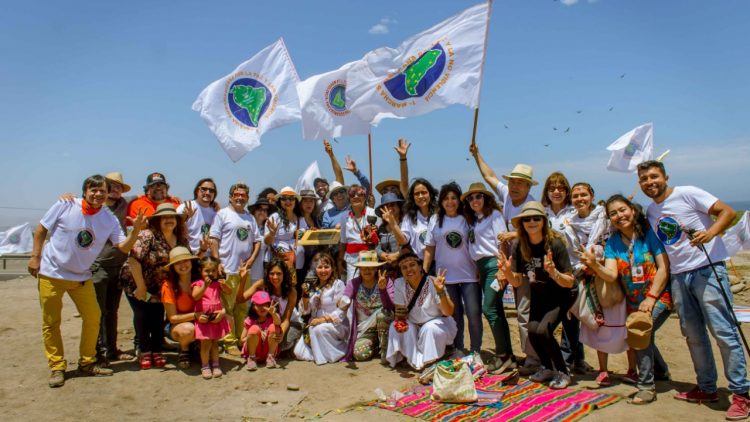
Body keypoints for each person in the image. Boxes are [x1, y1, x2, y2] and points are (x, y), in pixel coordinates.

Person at [637, 160, 749, 419]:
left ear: (665, 176)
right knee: (693, 335)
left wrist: (710, 234)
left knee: (724, 332)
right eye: (644, 179)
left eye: (654, 177)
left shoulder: (687, 192)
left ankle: (741, 394)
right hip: (678, 277)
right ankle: (707, 387)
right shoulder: (651, 211)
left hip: (707, 269)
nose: (649, 182)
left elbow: (727, 212)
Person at [28, 175, 146, 388]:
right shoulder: (66, 204)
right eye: (94, 190)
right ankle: (57, 367)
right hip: (52, 273)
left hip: (82, 276)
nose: (98, 194)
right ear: (85, 191)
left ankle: (87, 362)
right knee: (51, 322)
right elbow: (41, 229)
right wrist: (35, 256)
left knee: (93, 318)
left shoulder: (108, 218)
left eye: (102, 190)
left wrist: (136, 230)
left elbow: (123, 246)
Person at [470, 143, 540, 375]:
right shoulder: (508, 195)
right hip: (510, 264)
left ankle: (530, 358)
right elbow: (489, 175)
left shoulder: (532, 204)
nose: (514, 185)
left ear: (528, 185)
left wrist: (513, 234)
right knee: (503, 309)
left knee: (524, 311)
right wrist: (477, 154)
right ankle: (512, 355)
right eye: (512, 181)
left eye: (520, 182)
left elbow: (538, 231)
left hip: (529, 265)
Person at [497, 201, 576, 389]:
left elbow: (570, 281)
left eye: (536, 218)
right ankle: (547, 367)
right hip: (539, 294)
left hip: (562, 294)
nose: (531, 221)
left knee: (544, 331)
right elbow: (517, 282)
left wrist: (553, 272)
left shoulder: (555, 244)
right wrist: (507, 272)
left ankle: (563, 372)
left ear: (543, 221)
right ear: (522, 223)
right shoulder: (519, 245)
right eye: (527, 219)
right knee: (531, 331)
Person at [567, 183, 630, 387]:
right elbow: (574, 250)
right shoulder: (570, 222)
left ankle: (633, 369)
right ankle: (603, 370)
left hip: (613, 273)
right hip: (587, 276)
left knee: (624, 322)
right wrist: (585, 265)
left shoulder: (605, 217)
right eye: (575, 195)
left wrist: (597, 259)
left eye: (583, 194)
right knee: (599, 323)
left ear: (592, 195)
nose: (579, 199)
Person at [120, 202, 189, 370]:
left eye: (171, 217)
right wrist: (141, 287)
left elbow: (186, 259)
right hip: (136, 282)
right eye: (164, 217)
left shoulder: (180, 238)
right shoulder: (147, 235)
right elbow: (133, 260)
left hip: (161, 286)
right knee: (142, 315)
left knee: (157, 316)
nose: (168, 220)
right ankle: (144, 351)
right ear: (157, 220)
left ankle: (157, 350)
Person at [423, 182, 482, 355]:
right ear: (441, 201)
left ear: (459, 200)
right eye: (446, 198)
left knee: (474, 314)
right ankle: (458, 348)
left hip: (469, 274)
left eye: (454, 198)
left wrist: (480, 267)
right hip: (445, 277)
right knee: (454, 316)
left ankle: (475, 350)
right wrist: (424, 272)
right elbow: (429, 248)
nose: (450, 202)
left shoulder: (468, 217)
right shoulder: (435, 220)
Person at [461, 182, 513, 372]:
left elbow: (502, 241)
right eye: (471, 197)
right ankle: (508, 354)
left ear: (486, 198)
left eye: (478, 196)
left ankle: (502, 355)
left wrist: (501, 268)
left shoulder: (494, 215)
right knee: (497, 309)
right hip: (482, 267)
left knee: (489, 309)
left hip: (494, 265)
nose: (474, 200)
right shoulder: (474, 220)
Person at [541, 172, 589, 374]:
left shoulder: (573, 212)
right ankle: (578, 359)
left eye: (561, 188)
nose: (557, 192)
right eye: (552, 188)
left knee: (572, 316)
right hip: (551, 271)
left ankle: (567, 359)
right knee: (565, 315)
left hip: (575, 270)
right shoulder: (543, 212)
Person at [209, 182, 262, 356]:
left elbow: (257, 241)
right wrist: (218, 262)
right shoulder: (222, 215)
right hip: (227, 270)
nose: (240, 197)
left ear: (247, 198)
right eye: (237, 194)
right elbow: (214, 239)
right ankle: (229, 341)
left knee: (242, 306)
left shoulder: (249, 218)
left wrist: (252, 259)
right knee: (227, 308)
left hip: (244, 271)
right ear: (231, 197)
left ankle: (241, 338)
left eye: (243, 195)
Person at [386, 252, 457, 370]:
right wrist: (400, 320)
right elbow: (400, 312)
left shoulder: (434, 282)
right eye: (404, 267)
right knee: (395, 326)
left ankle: (430, 362)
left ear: (420, 267)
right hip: (414, 324)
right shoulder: (399, 283)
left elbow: (448, 312)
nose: (408, 269)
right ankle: (409, 358)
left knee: (430, 328)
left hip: (436, 324)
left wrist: (440, 291)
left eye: (412, 265)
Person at [91, 172, 133, 365]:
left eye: (119, 187)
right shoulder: (94, 207)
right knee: (97, 312)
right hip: (98, 265)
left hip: (118, 265)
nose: (115, 190)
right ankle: (97, 353)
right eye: (112, 186)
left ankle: (112, 350)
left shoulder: (123, 205)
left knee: (112, 310)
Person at [294, 252, 349, 364]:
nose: (323, 270)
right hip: (314, 324)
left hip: (336, 324)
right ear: (315, 269)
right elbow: (306, 311)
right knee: (298, 352)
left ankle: (337, 352)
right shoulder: (314, 286)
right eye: (319, 267)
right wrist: (305, 295)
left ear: (332, 268)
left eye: (326, 267)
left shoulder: (338, 284)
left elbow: (342, 310)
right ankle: (321, 353)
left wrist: (321, 320)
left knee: (319, 329)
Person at [239, 258, 302, 353]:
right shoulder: (262, 284)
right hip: (268, 322)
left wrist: (281, 334)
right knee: (266, 343)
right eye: (272, 273)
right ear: (267, 275)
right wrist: (242, 280)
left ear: (284, 275)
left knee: (279, 345)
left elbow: (286, 319)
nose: (275, 277)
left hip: (290, 323)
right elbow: (240, 300)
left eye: (279, 274)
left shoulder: (291, 291)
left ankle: (296, 340)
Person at [342, 251, 395, 363]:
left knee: (383, 314)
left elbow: (390, 307)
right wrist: (342, 303)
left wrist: (382, 290)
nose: (367, 270)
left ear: (376, 269)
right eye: (363, 268)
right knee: (359, 354)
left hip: (385, 326)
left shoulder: (386, 281)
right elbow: (345, 299)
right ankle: (375, 345)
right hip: (365, 329)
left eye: (370, 268)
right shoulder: (353, 284)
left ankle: (385, 351)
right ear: (359, 269)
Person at [192, 256, 231, 379]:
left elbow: (229, 292)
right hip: (204, 317)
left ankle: (215, 364)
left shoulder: (217, 283)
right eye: (206, 271)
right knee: (205, 343)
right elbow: (195, 297)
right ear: (201, 271)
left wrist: (224, 285)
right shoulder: (198, 284)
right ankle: (204, 365)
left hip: (216, 316)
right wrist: (204, 286)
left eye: (213, 271)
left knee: (215, 342)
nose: (210, 273)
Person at [161, 246, 200, 370]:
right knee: (188, 329)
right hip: (177, 324)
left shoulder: (201, 280)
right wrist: (195, 315)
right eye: (178, 263)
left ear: (191, 262)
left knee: (226, 319)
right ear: (173, 267)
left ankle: (199, 345)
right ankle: (184, 350)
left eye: (185, 261)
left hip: (199, 320)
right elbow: (172, 318)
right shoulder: (168, 285)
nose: (182, 265)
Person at [392, 178, 439, 263]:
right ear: (413, 197)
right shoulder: (409, 217)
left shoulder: (440, 214)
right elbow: (403, 241)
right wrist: (393, 224)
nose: (420, 196)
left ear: (430, 194)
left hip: (440, 263)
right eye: (417, 194)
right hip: (419, 264)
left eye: (424, 192)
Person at [339, 184, 380, 282]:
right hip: (351, 258)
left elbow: (379, 237)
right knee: (352, 284)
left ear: (365, 197)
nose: (356, 197)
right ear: (349, 198)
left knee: (369, 282)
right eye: (352, 195)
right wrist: (339, 261)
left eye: (360, 194)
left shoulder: (373, 213)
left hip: (369, 254)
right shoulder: (344, 216)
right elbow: (343, 242)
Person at [265, 186, 303, 286]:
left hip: (295, 264)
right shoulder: (274, 217)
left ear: (295, 201)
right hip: (276, 263)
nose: (288, 201)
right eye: (284, 198)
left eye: (291, 198)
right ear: (279, 201)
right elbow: (267, 242)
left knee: (291, 289)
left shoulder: (300, 219)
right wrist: (272, 233)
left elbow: (304, 238)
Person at [241, 291, 282, 370]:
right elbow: (242, 340)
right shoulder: (250, 320)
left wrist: (273, 314)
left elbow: (278, 323)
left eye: (265, 304)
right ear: (253, 306)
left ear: (269, 305)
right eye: (258, 305)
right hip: (254, 351)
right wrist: (258, 335)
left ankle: (270, 357)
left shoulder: (272, 317)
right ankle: (252, 359)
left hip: (267, 350)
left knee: (274, 327)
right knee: (254, 328)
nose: (262, 307)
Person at [178, 178, 218, 256]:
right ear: (197, 191)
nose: (207, 192)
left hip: (208, 260)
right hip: (189, 257)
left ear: (214, 195)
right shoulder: (185, 207)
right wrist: (184, 218)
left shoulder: (216, 212)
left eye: (211, 190)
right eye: (204, 189)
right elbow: (173, 229)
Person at [376, 193, 404, 277]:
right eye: (386, 206)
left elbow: (409, 245)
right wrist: (383, 255)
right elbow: (377, 246)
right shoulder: (381, 228)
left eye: (392, 205)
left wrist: (396, 256)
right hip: (385, 270)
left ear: (399, 207)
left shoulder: (405, 225)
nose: (390, 208)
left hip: (403, 267)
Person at [248, 198, 273, 283]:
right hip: (246, 271)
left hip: (261, 274)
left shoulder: (269, 228)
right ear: (254, 211)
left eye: (265, 210)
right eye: (260, 209)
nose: (262, 212)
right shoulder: (247, 225)